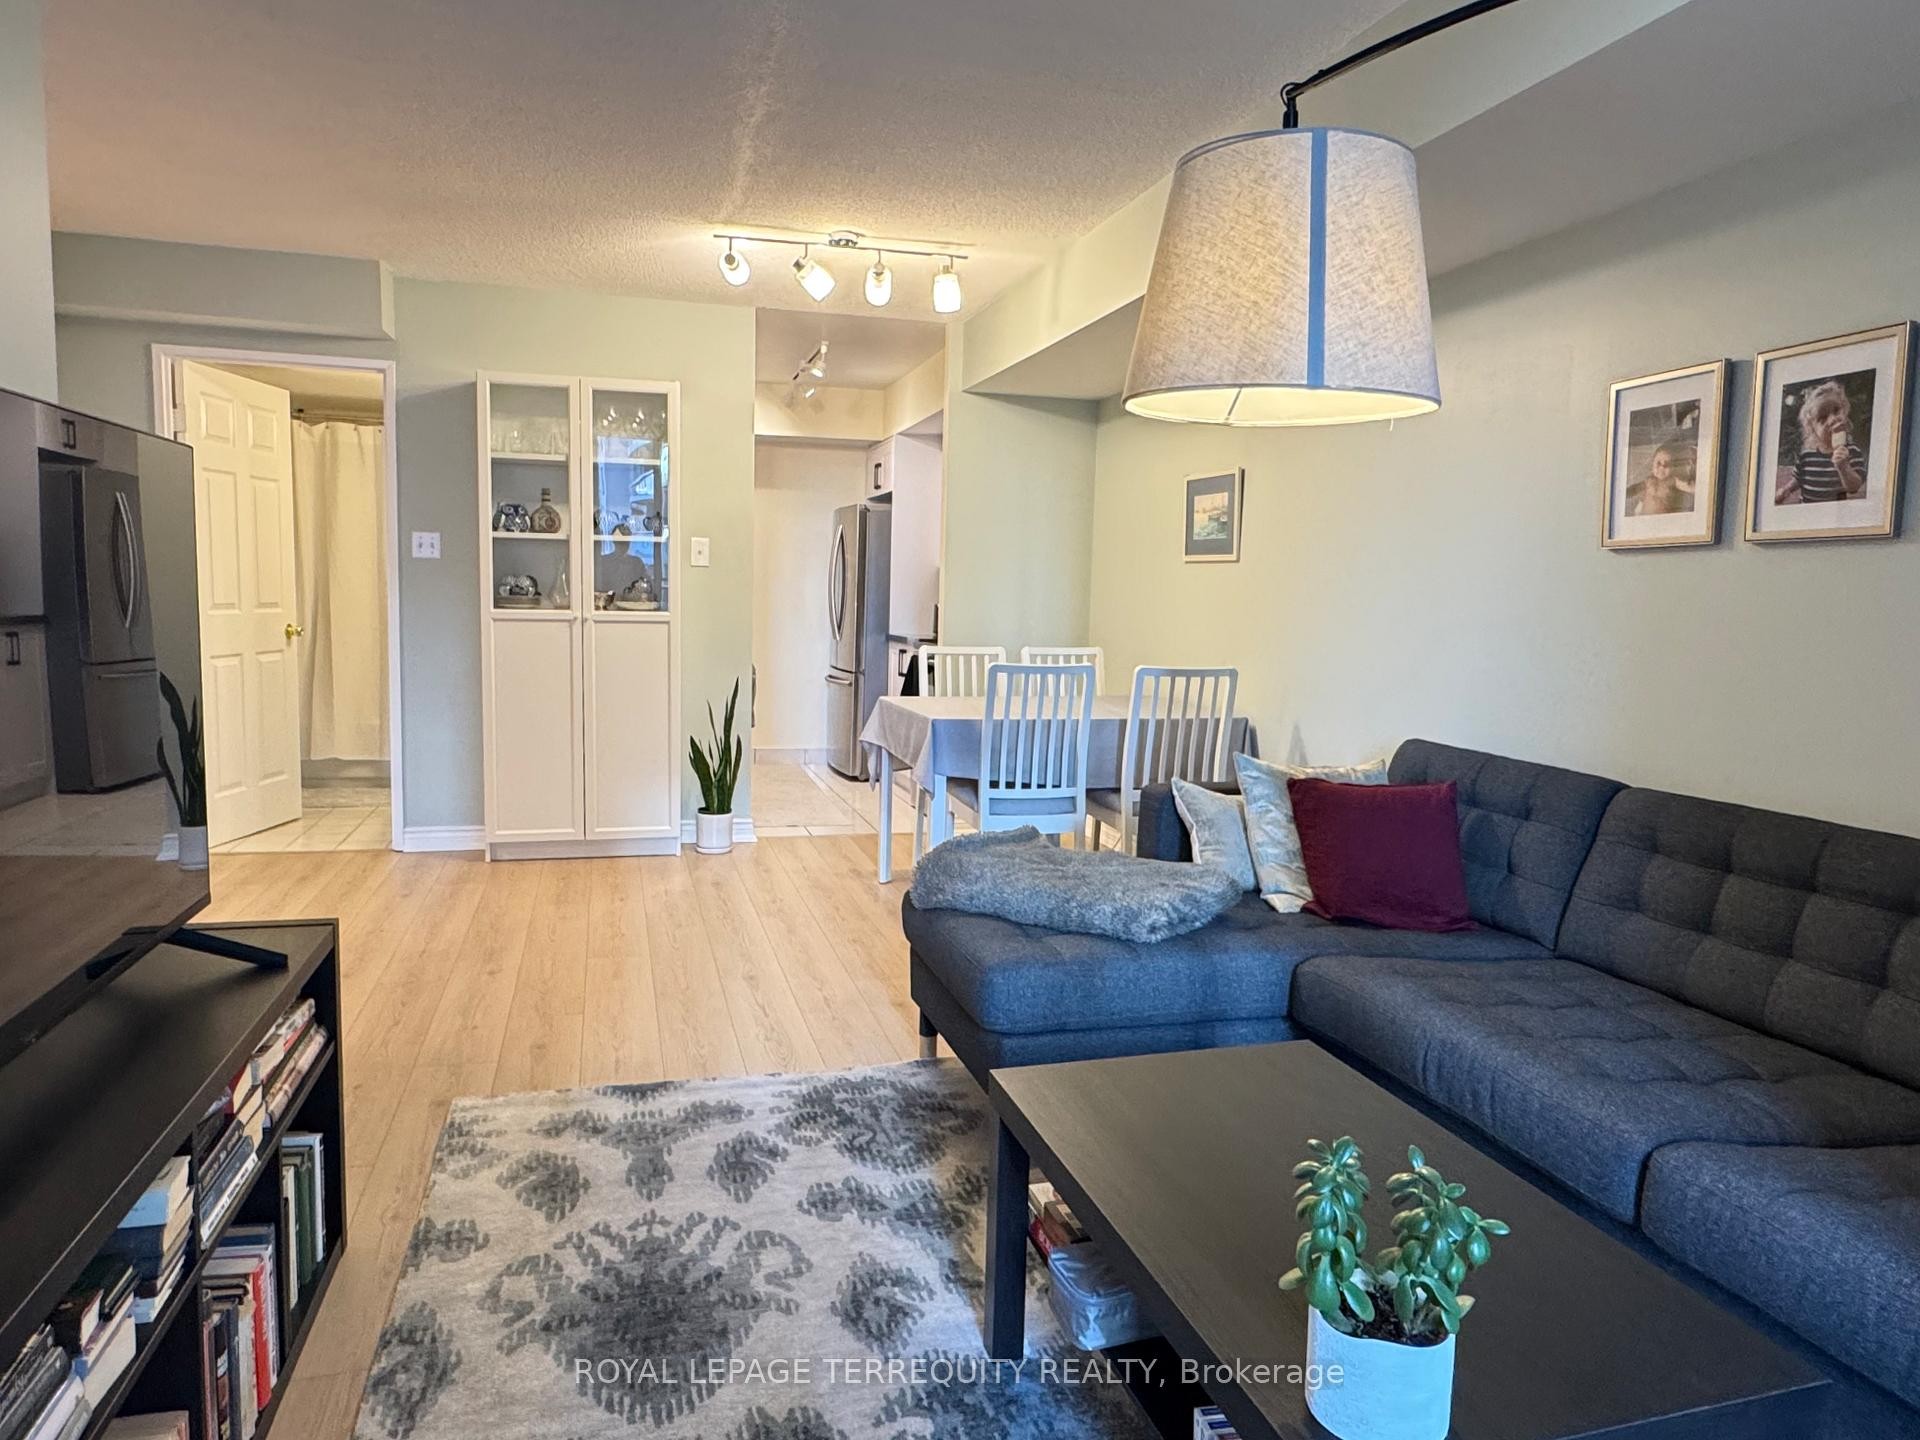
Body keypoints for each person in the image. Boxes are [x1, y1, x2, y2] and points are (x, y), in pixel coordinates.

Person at [1781, 380, 1868, 504]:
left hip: (1834, 516)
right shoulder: (1806, 456)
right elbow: (1798, 479)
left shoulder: (1851, 452)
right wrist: (1787, 489)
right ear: (1812, 430)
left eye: (1836, 410)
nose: (1833, 419)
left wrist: (1843, 467)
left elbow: (1854, 487)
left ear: (1845, 410)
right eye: (1823, 418)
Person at [1629, 441, 1695, 516]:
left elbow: (1689, 486)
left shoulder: (1673, 481)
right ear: (1652, 465)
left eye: (1667, 464)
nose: (1662, 466)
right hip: (1644, 517)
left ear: (1673, 469)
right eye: (1658, 463)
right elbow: (1635, 489)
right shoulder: (1648, 480)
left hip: (1662, 521)